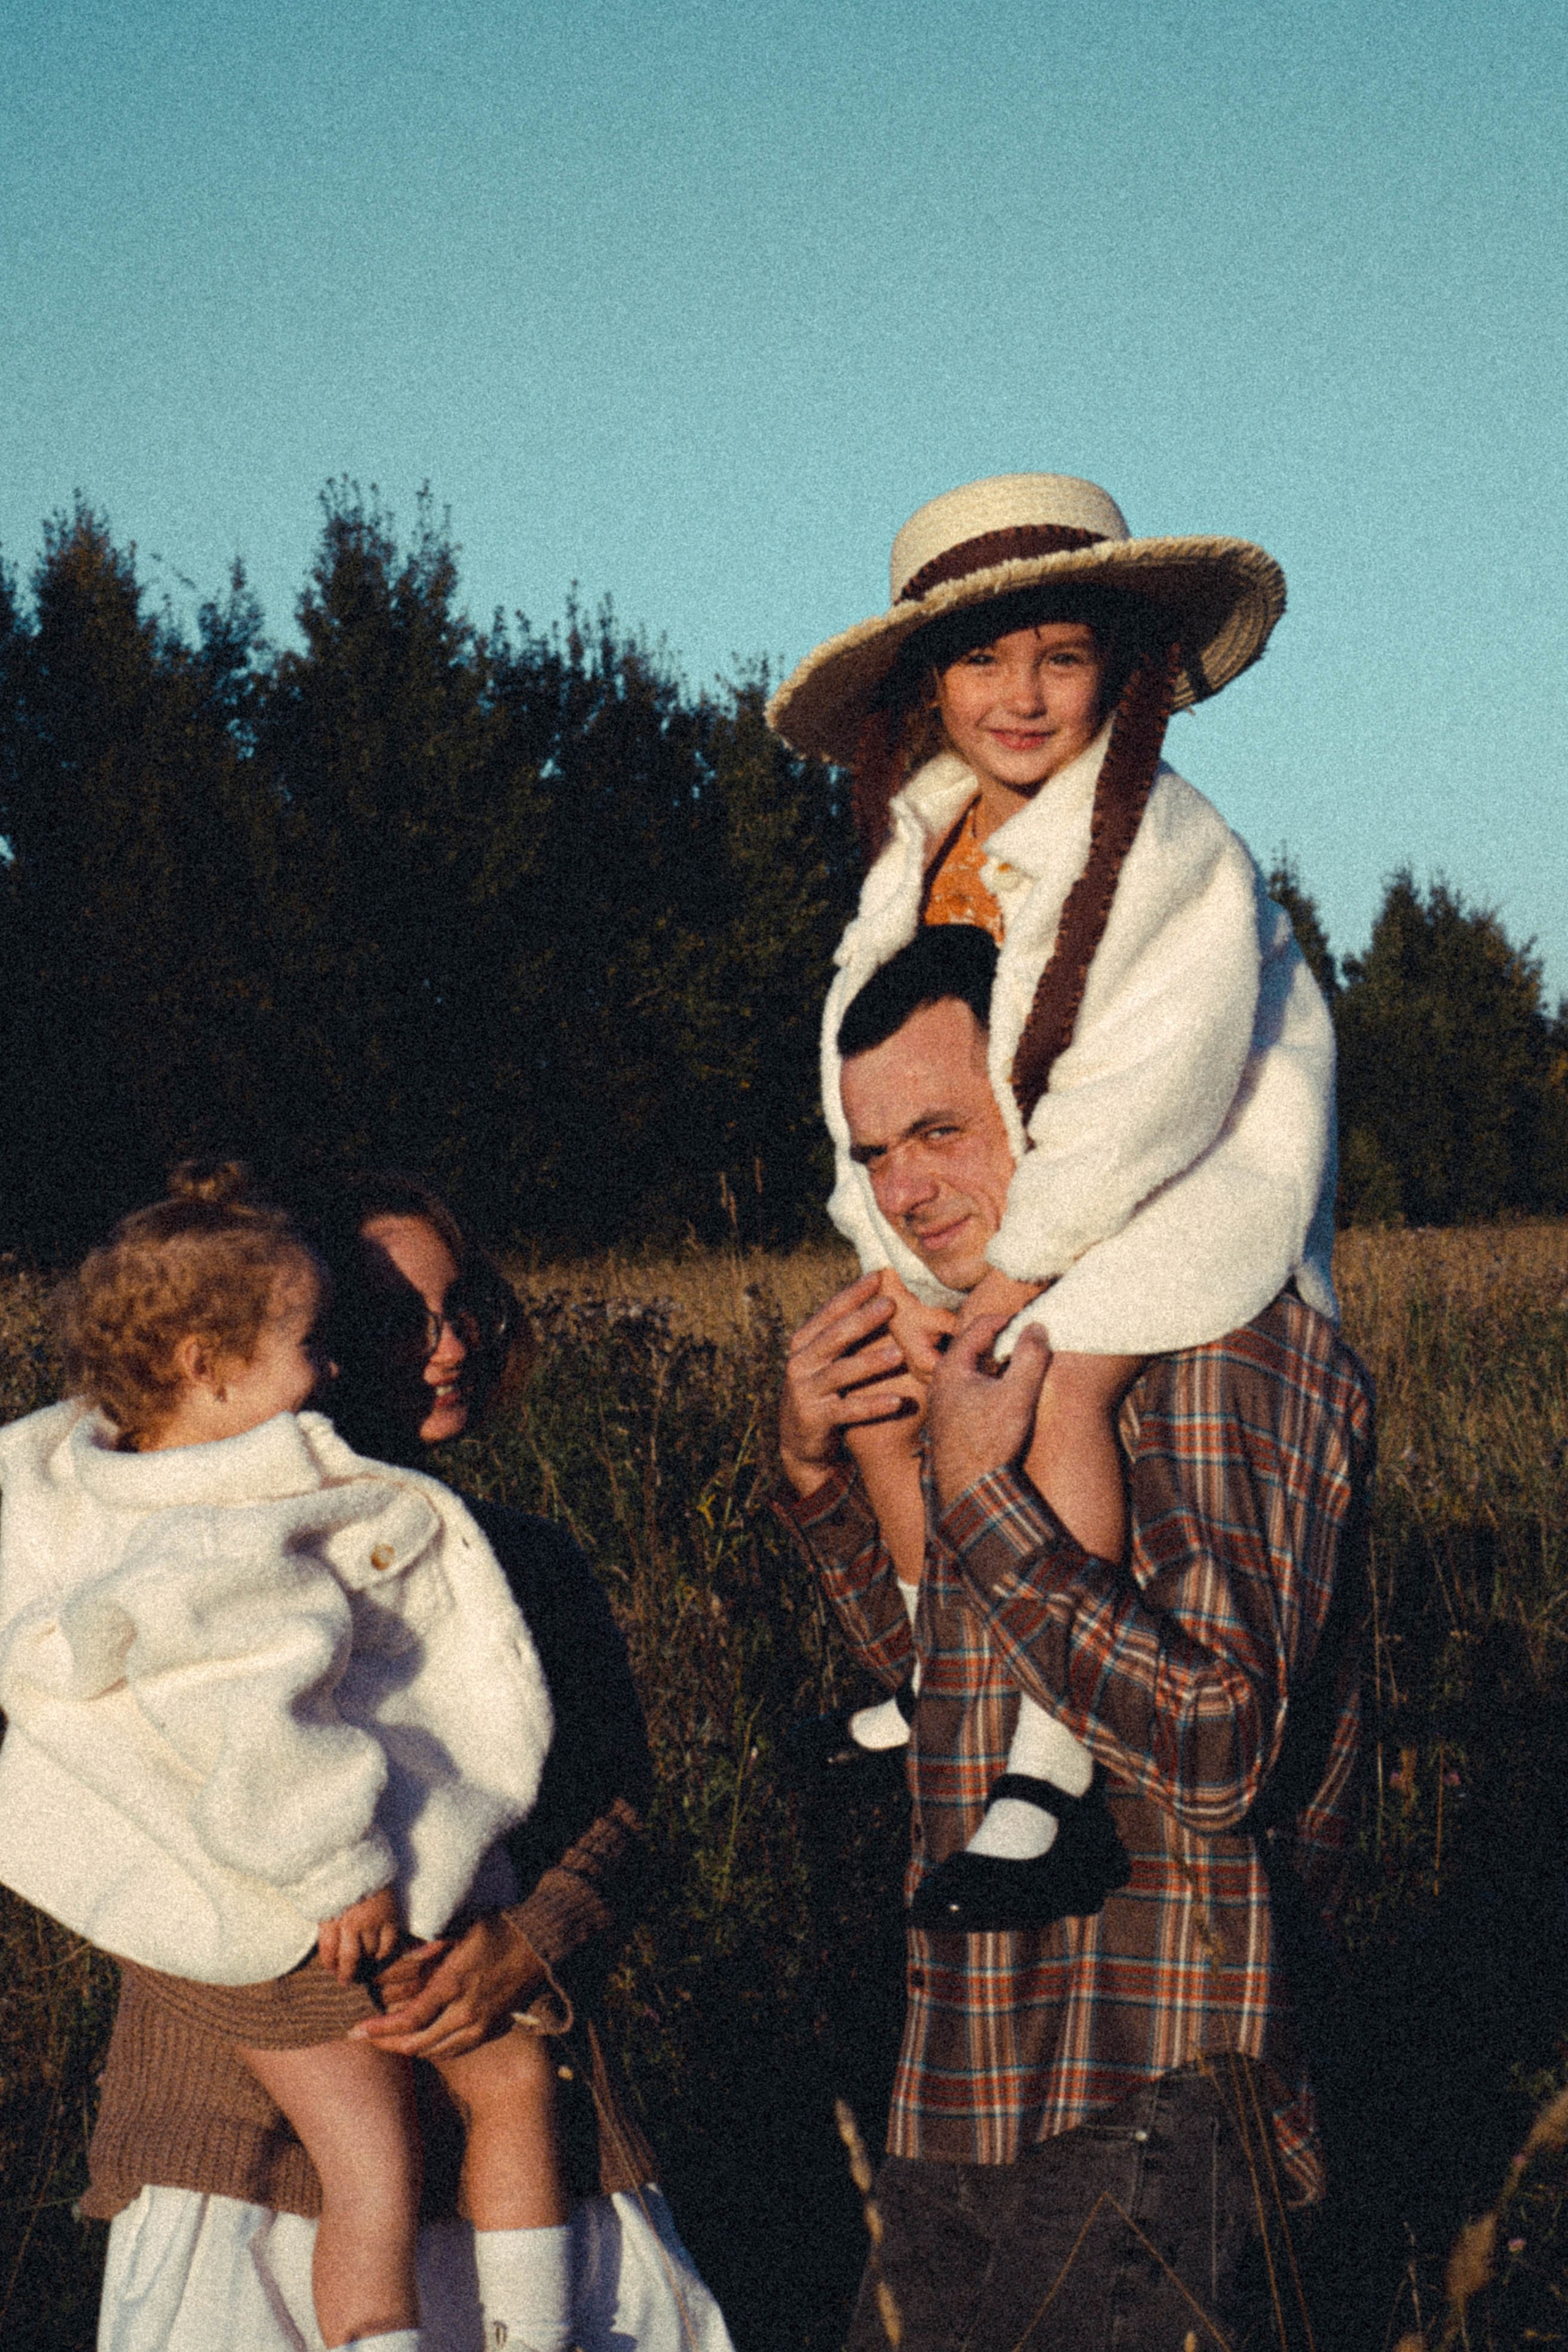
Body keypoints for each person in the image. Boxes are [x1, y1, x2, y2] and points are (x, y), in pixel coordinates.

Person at [21, 1170, 731, 2352]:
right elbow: (116, 1810)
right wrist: (299, 1926)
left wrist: (527, 1945)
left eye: (464, 1311)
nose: (447, 1349)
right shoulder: (145, 1546)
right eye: (401, 1320)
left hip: (507, 2096)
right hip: (240, 2134)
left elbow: (619, 1805)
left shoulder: (515, 1558)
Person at [774, 961, 1372, 2350]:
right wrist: (821, 1478)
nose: (905, 1189)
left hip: (1152, 2072)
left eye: (940, 1132)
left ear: (1064, 1113)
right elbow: (959, 1698)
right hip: (963, 2074)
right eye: (873, 1155)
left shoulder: (1219, 1344)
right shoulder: (988, 1344)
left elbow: (1219, 1745)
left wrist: (983, 1489)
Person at [767, 472, 1337, 1924]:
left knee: (1052, 1384)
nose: (1021, 697)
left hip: (1176, 1181)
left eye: (1061, 658)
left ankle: (1053, 1756)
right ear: (926, 683)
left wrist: (1016, 1275)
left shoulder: (1164, 841)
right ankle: (928, 1662)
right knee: (899, 1384)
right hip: (1010, 1195)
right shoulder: (920, 848)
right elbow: (864, 1043)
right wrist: (890, 1244)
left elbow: (1150, 1081)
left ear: (1118, 672)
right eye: (980, 659)